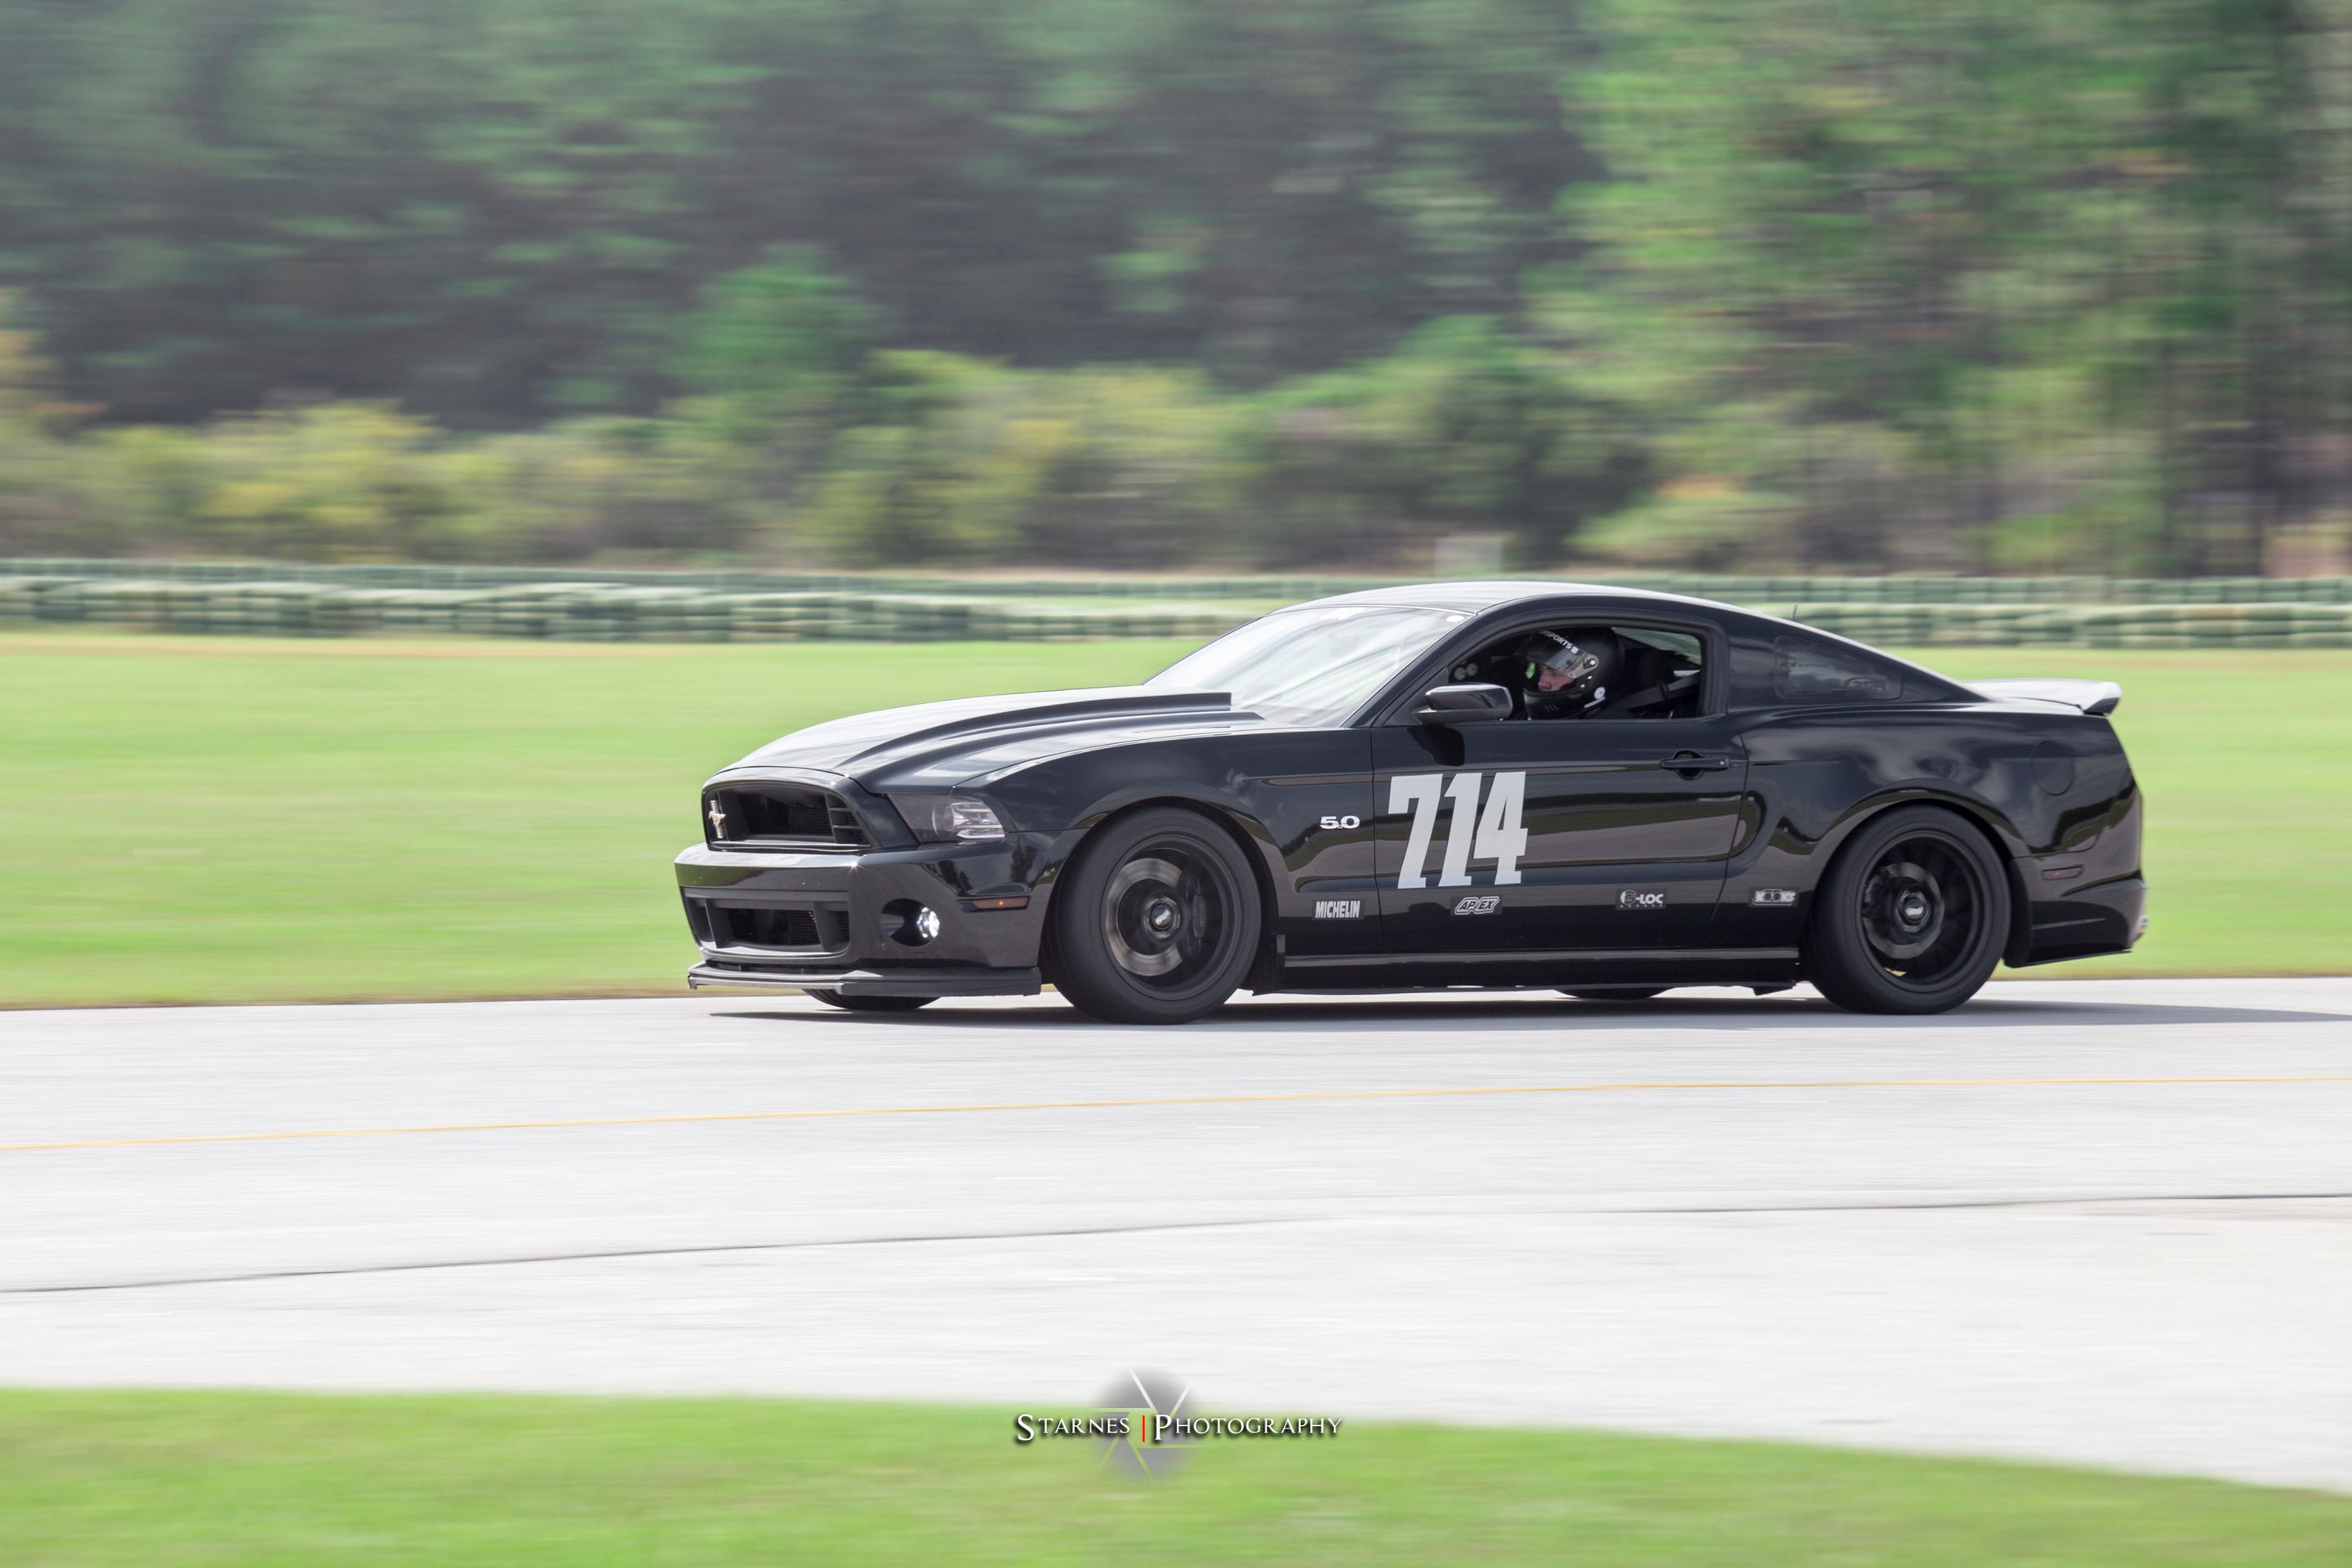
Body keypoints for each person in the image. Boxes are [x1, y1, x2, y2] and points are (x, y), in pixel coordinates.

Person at [1514, 628, 1621, 719]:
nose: (1542, 683)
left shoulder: (1609, 732)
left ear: (1596, 677)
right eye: (1542, 669)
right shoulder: (1523, 716)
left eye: (1557, 673)